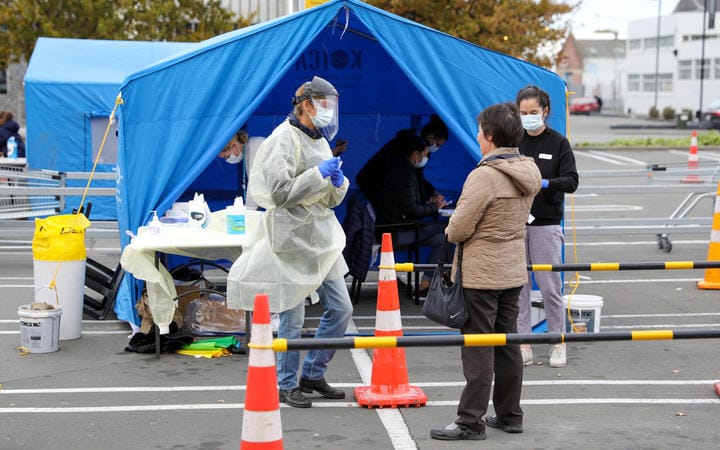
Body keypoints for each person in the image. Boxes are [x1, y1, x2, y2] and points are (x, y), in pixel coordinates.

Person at [226, 76, 352, 408]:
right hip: (290, 236)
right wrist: (318, 175)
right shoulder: (282, 140)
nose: (329, 111)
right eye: (325, 104)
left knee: (341, 308)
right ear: (307, 105)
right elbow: (278, 193)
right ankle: (285, 383)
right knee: (293, 316)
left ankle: (312, 373)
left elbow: (330, 198)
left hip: (319, 236)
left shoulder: (319, 139)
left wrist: (337, 183)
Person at [431, 102, 541, 442]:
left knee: (479, 347)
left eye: (480, 130)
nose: (477, 136)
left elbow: (458, 228)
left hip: (481, 273)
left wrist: (452, 229)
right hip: (513, 268)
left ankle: (470, 421)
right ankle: (510, 414)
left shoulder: (485, 176)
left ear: (490, 137)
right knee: (508, 343)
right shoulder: (529, 171)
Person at [515, 85, 579, 368]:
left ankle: (557, 342)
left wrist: (544, 183)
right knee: (519, 287)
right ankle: (523, 343)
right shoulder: (515, 141)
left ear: (545, 111)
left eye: (533, 112)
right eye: (523, 113)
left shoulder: (558, 143)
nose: (528, 117)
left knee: (551, 286)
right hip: (515, 223)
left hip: (546, 223)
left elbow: (572, 181)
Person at [374, 131, 449, 291]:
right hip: (397, 231)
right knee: (450, 228)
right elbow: (411, 209)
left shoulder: (402, 170)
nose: (425, 159)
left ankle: (426, 282)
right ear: (415, 154)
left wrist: (430, 202)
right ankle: (431, 282)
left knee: (443, 239)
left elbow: (409, 202)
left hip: (396, 227)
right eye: (424, 154)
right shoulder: (405, 173)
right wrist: (435, 207)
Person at [355, 114, 448, 209]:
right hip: (375, 184)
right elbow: (411, 178)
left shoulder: (421, 147)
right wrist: (428, 198)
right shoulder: (406, 146)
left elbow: (417, 177)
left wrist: (432, 193)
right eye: (437, 144)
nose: (436, 147)